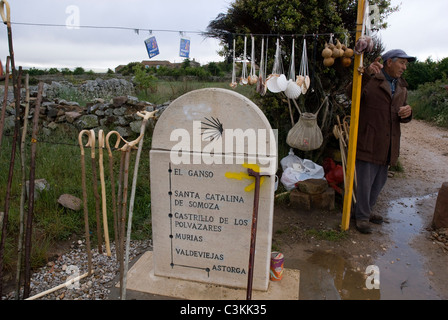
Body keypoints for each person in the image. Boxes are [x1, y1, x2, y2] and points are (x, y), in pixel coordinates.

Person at [350, 49, 416, 234]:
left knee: (379, 181)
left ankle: (364, 211)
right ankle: (362, 217)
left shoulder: (402, 86)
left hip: (388, 143)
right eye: (401, 63)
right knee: (364, 181)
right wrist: (366, 75)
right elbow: (351, 94)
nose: (404, 67)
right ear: (389, 62)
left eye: (405, 64)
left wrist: (408, 113)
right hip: (369, 139)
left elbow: (401, 113)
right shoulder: (372, 79)